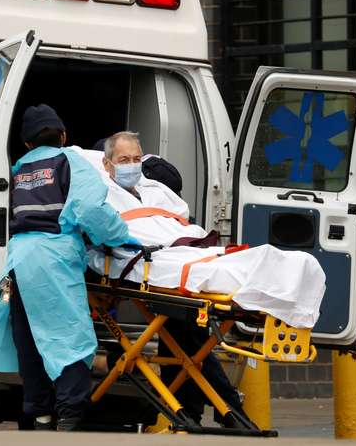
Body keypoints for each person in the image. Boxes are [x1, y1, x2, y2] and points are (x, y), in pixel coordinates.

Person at [0, 105, 134, 431]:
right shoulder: (69, 162)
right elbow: (90, 209)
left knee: (27, 337)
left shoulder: (16, 170)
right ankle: (70, 415)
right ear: (64, 136)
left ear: (27, 143)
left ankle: (39, 413)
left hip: (17, 262)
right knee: (68, 336)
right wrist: (121, 236)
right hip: (53, 259)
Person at [100, 131, 249, 428]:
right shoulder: (100, 193)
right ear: (106, 164)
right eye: (123, 160)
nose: (131, 165)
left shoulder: (155, 189)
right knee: (186, 327)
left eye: (135, 159)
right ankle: (224, 407)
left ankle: (197, 411)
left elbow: (183, 220)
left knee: (184, 325)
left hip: (181, 254)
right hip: (152, 260)